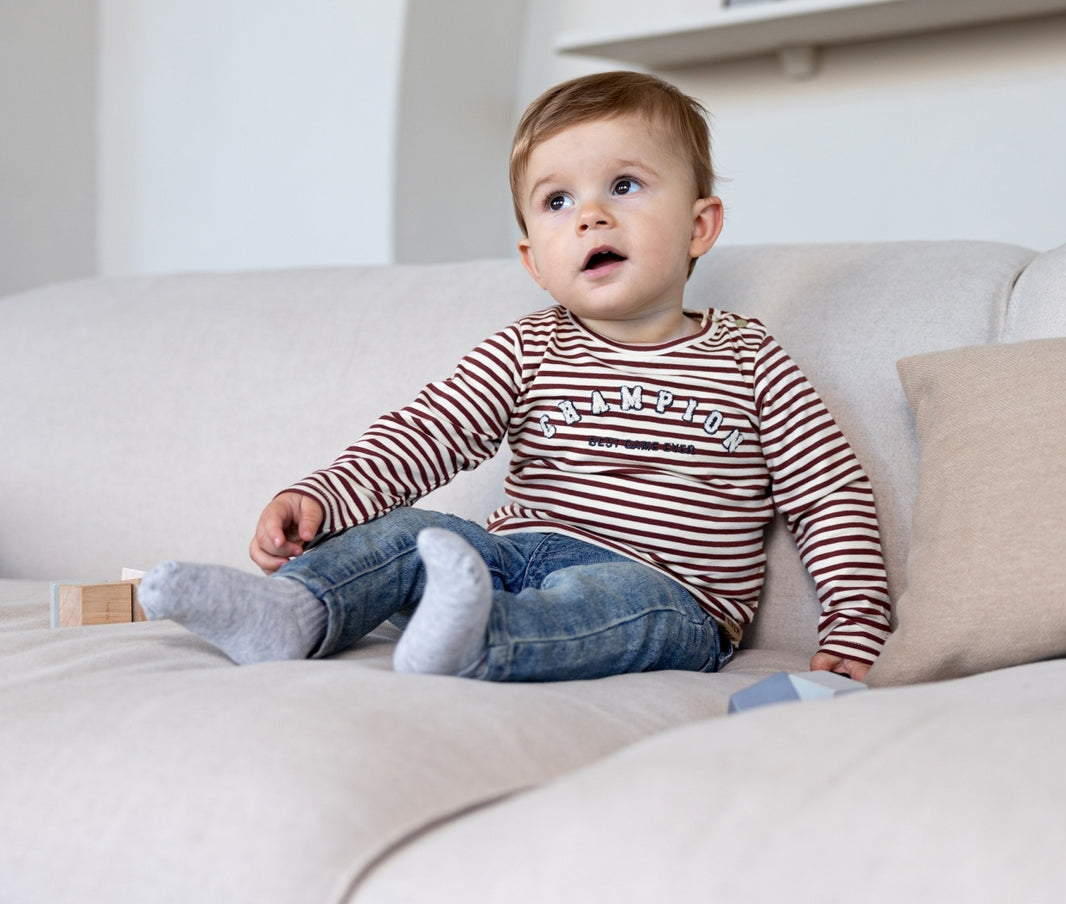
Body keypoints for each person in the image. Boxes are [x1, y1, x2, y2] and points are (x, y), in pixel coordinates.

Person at [139, 71, 891, 682]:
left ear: (700, 226)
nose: (590, 216)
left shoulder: (751, 359)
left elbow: (829, 494)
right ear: (534, 261)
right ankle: (293, 613)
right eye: (558, 201)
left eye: (624, 186)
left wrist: (855, 624)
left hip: (668, 595)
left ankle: (478, 641)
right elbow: (426, 434)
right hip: (511, 558)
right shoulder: (530, 347)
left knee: (609, 600)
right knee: (413, 535)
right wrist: (323, 498)